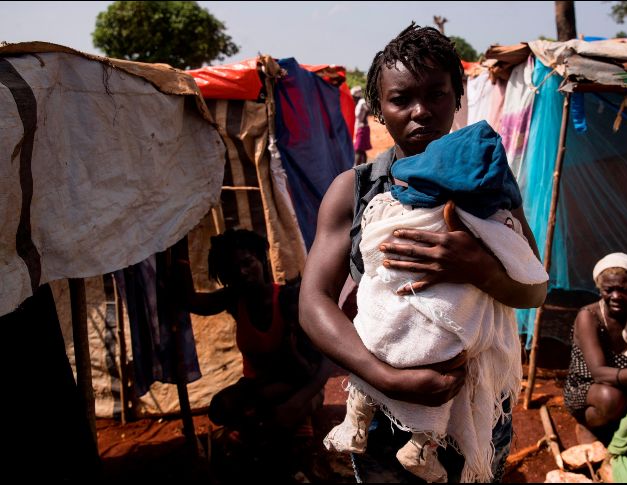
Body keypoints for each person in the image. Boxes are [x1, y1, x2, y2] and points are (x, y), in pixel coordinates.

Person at [299, 23, 547, 483]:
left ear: (457, 98)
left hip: (474, 406)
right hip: (381, 415)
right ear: (377, 109)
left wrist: (475, 267)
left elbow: (533, 291)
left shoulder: (486, 182)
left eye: (436, 95)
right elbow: (313, 304)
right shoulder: (353, 191)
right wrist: (387, 378)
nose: (421, 113)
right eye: (401, 100)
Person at [179, 229, 332, 477]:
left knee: (273, 427)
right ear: (225, 277)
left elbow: (325, 362)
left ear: (261, 259)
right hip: (259, 386)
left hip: (298, 385)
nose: (242, 273)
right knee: (220, 408)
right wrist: (179, 252)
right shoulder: (235, 299)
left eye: (247, 263)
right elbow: (192, 302)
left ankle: (296, 428)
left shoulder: (288, 300)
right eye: (232, 270)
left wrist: (298, 401)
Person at [563, 253, 627, 445]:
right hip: (588, 387)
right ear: (599, 289)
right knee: (610, 399)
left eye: (623, 290)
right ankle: (589, 424)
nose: (616, 296)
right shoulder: (589, 317)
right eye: (609, 290)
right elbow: (598, 372)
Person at [352, 85, 372, 166]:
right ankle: (364, 167)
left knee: (357, 149)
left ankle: (356, 168)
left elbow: (367, 108)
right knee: (362, 150)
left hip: (362, 128)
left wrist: (363, 118)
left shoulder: (361, 102)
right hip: (361, 128)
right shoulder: (359, 103)